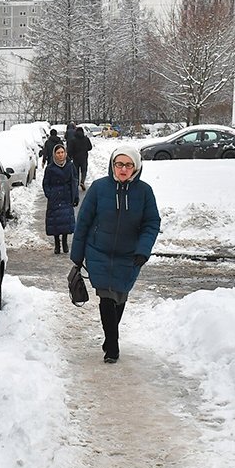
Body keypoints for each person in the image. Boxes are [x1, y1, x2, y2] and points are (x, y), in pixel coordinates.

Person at [70, 144, 160, 364]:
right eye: (119, 164)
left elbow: (151, 223)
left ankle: (110, 336)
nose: (123, 169)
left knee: (120, 297)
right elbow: (83, 222)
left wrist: (143, 250)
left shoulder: (144, 192)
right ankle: (112, 344)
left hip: (129, 255)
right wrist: (77, 255)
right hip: (98, 251)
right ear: (113, 165)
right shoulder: (99, 188)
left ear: (136, 168)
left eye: (128, 165)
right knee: (107, 297)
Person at [42, 143, 76, 255]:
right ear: (54, 154)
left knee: (65, 221)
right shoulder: (50, 168)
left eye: (62, 152)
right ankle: (57, 243)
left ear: (65, 153)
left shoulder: (70, 166)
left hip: (67, 196)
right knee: (56, 221)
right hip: (55, 197)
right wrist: (50, 194)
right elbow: (46, 183)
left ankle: (65, 242)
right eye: (58, 153)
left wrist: (74, 195)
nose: (61, 155)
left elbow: (74, 180)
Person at [67, 125, 92, 192]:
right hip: (84, 157)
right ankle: (82, 181)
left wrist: (70, 156)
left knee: (76, 171)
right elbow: (90, 147)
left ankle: (76, 183)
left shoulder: (73, 140)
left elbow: (70, 150)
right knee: (84, 170)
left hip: (76, 158)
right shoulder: (86, 139)